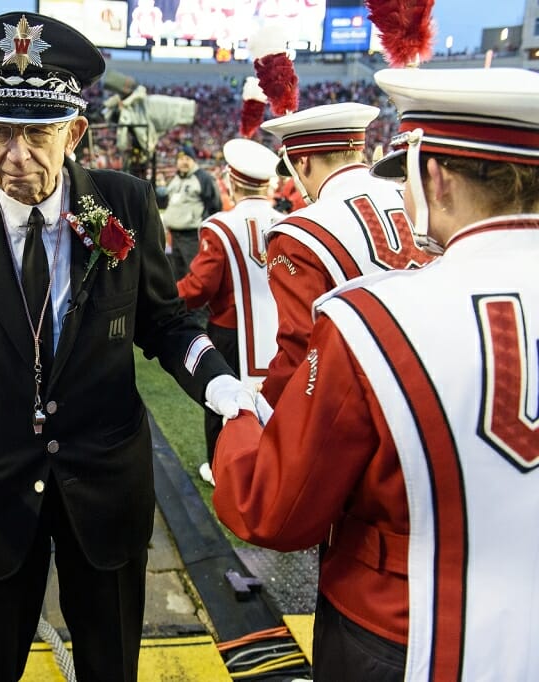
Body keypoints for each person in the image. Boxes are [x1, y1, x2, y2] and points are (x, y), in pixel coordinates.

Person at [0, 12, 248, 681]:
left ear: (75, 131)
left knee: (110, 664)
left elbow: (166, 325)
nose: (15, 155)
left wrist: (215, 380)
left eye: (37, 132)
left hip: (105, 488)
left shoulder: (122, 206)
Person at [211, 66, 539, 681]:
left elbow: (273, 510)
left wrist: (240, 418)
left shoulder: (369, 315)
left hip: (404, 627)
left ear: (434, 175)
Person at [258, 102, 435, 405]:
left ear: (303, 164)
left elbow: (301, 347)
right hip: (438, 381)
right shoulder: (416, 198)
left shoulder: (298, 233)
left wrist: (265, 405)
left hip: (361, 401)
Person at [176, 138, 283, 485]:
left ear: (231, 182)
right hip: (281, 328)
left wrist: (164, 302)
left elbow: (200, 287)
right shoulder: (289, 220)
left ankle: (221, 467)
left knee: (222, 398)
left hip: (229, 328)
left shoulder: (219, 226)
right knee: (274, 396)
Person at [163, 147, 223, 281]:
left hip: (192, 236)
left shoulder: (203, 178)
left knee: (193, 274)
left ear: (193, 160)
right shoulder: (176, 179)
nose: (183, 162)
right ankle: (181, 302)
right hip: (175, 235)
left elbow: (215, 205)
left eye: (187, 159)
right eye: (180, 159)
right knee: (178, 274)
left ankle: (196, 302)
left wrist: (205, 230)